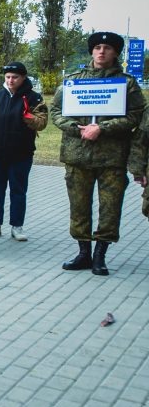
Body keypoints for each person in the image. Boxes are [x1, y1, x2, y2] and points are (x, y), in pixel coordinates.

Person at [50, 31, 146, 276]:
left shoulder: (127, 83)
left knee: (110, 207)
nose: (102, 51)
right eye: (98, 47)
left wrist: (102, 129)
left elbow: (135, 115)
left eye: (108, 48)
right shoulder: (73, 81)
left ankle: (100, 254)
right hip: (77, 154)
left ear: (116, 53)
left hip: (111, 157)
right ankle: (83, 252)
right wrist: (75, 128)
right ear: (91, 51)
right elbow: (56, 112)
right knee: (79, 206)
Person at [0, 61, 48, 242]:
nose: (10, 80)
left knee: (18, 190)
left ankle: (17, 226)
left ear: (23, 78)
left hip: (21, 154)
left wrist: (28, 117)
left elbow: (42, 123)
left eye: (14, 77)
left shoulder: (34, 98)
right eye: (8, 77)